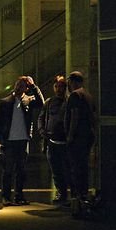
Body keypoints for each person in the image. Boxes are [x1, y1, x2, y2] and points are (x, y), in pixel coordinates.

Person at [0, 75, 44, 206]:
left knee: (21, 170)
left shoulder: (28, 100)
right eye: (18, 84)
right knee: (8, 170)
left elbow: (41, 103)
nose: (19, 86)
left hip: (23, 140)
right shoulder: (5, 102)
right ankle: (6, 196)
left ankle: (19, 196)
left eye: (22, 85)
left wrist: (34, 86)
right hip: (9, 140)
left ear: (26, 88)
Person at [64, 71, 96, 212]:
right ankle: (84, 195)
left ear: (72, 81)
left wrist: (70, 135)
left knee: (75, 167)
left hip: (77, 137)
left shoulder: (75, 95)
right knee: (83, 166)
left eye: (69, 82)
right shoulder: (88, 95)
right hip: (88, 135)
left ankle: (77, 198)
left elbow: (74, 116)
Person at [40, 75, 70, 204]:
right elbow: (41, 117)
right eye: (57, 86)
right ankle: (61, 193)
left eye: (61, 86)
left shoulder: (69, 102)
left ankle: (70, 193)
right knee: (56, 170)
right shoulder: (49, 102)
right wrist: (42, 131)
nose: (58, 89)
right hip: (52, 142)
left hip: (65, 142)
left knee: (67, 169)